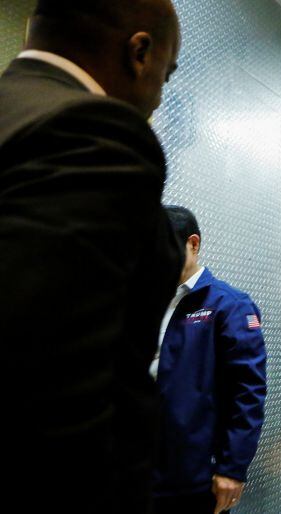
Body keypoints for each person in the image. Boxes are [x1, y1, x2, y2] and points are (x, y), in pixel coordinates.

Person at [0, 1, 182, 513]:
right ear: (139, 53)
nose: (158, 98)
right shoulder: (90, 130)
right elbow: (49, 382)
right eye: (165, 75)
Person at [152, 206, 268, 514]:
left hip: (196, 473)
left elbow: (248, 393)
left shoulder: (229, 305)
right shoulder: (145, 301)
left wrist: (232, 467)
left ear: (193, 244)